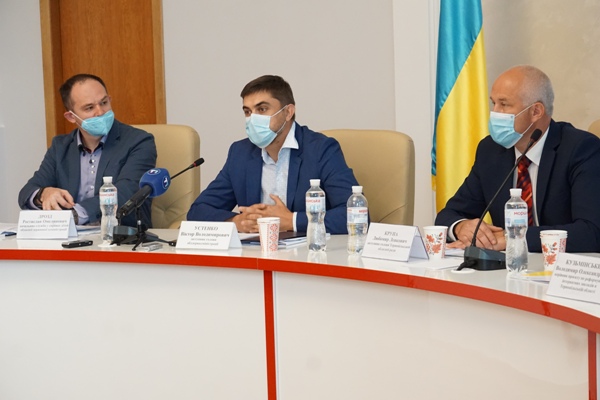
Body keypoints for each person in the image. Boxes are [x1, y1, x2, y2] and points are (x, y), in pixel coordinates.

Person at [435, 65, 600, 253]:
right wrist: (461, 227)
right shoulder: (491, 150)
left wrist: (513, 238)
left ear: (536, 111)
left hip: (562, 267)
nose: (495, 113)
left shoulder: (581, 149)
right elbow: (448, 215)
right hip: (508, 267)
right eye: (493, 103)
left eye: (504, 104)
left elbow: (591, 232)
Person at [187, 75, 359, 234]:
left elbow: (356, 214)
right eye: (247, 112)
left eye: (262, 109)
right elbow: (198, 211)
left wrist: (292, 221)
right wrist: (237, 222)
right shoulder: (240, 153)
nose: (253, 119)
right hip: (255, 252)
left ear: (288, 112)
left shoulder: (321, 149)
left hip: (309, 251)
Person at [18, 73, 157, 228]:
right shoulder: (61, 147)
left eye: (104, 102)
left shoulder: (139, 141)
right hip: (72, 237)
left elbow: (128, 191)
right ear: (71, 117)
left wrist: (75, 215)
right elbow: (27, 192)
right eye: (89, 108)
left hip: (122, 235)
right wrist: (43, 194)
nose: (100, 112)